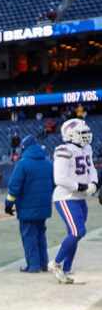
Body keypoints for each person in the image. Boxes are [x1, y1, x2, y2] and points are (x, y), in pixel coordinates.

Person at [49, 119, 97, 284]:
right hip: (66, 197)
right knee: (78, 231)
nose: (86, 136)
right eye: (82, 133)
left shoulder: (87, 148)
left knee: (75, 234)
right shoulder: (63, 150)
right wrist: (83, 186)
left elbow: (92, 169)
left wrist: (94, 183)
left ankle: (66, 268)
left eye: (86, 132)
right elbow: (59, 178)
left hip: (79, 197)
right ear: (70, 134)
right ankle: (56, 264)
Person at [5, 136, 54, 273]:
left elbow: (14, 187)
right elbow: (54, 184)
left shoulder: (23, 164)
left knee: (29, 237)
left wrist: (8, 204)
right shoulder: (48, 163)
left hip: (27, 208)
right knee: (41, 235)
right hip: (44, 207)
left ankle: (33, 266)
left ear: (24, 148)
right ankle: (44, 264)